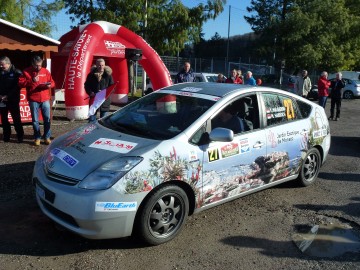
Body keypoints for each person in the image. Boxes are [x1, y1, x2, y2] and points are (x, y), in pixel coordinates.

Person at [19, 56, 55, 146]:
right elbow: (20, 83)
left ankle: (47, 136)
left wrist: (49, 85)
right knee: (35, 120)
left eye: (40, 65)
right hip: (33, 99)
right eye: (36, 66)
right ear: (32, 64)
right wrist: (31, 81)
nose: (38, 67)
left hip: (45, 98)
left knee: (47, 119)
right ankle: (37, 137)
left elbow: (53, 82)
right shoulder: (26, 71)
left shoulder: (45, 71)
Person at [0, 56, 24, 143]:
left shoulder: (17, 72)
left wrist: (8, 96)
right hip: (2, 100)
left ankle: (20, 136)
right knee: (4, 119)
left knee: (16, 119)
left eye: (2, 65)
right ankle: (6, 136)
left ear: (8, 63)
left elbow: (17, 87)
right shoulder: (1, 72)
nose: (1, 66)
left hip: (13, 99)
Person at [85, 58, 114, 123]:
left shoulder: (108, 75)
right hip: (94, 99)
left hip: (105, 100)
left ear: (104, 65)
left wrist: (105, 92)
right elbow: (86, 85)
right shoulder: (91, 75)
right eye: (99, 65)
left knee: (103, 121)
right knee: (91, 120)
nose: (101, 67)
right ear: (96, 65)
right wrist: (90, 92)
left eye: (102, 65)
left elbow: (112, 87)